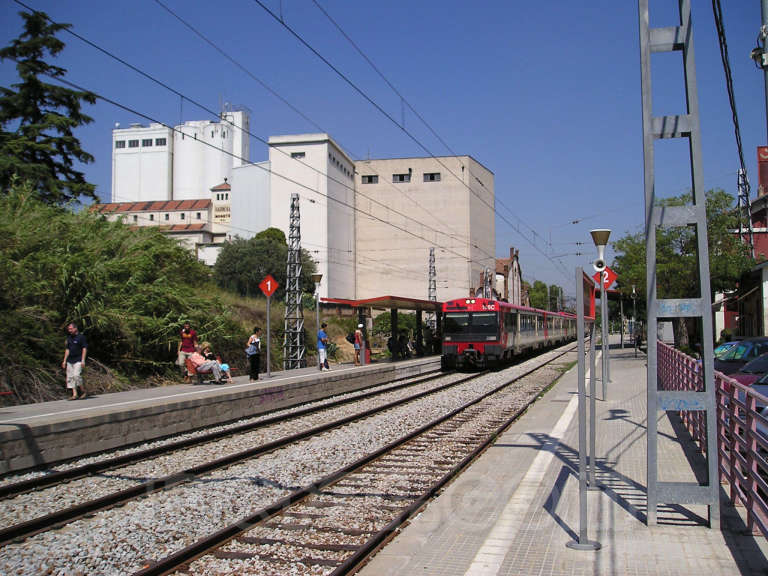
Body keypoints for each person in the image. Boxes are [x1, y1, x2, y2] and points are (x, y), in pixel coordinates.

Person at [62, 323, 87, 400]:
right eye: (68, 329)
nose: (69, 330)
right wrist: (64, 361)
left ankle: (83, 391)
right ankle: (74, 394)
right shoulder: (69, 338)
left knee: (76, 375)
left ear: (75, 328)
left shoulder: (81, 337)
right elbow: (67, 350)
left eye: (71, 329)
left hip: (78, 360)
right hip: (70, 360)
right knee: (70, 377)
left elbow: (84, 348)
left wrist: (83, 360)